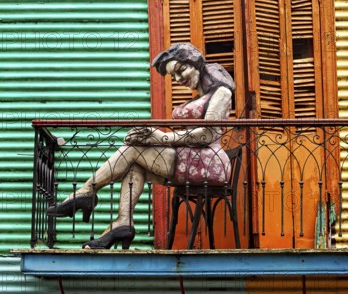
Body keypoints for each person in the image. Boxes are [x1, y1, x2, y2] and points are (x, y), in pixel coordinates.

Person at [47, 43, 235, 249]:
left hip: (208, 162)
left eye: (181, 70)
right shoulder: (201, 97)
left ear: (196, 63)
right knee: (135, 162)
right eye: (174, 76)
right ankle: (122, 221)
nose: (179, 79)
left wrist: (160, 138)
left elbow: (208, 134)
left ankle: (86, 192)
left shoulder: (222, 93)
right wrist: (149, 135)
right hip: (190, 158)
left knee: (134, 150)